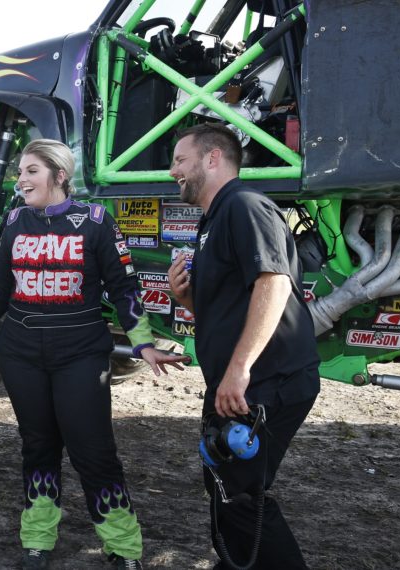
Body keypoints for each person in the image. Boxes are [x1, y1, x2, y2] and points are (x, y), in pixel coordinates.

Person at [0, 139, 189, 570]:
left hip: (81, 354)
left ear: (59, 175)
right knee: (37, 447)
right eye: (20, 170)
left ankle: (123, 548)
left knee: (93, 451)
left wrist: (142, 343)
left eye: (31, 170)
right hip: (22, 354)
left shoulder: (95, 221)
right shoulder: (14, 221)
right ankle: (37, 538)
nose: (21, 178)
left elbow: (124, 291)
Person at [166, 123, 320, 569]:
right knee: (223, 484)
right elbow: (232, 307)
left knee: (238, 496)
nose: (172, 169)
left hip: (267, 380)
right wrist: (187, 297)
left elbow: (273, 283)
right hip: (241, 382)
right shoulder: (213, 220)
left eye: (180, 160)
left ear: (213, 159)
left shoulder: (245, 206)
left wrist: (239, 370)